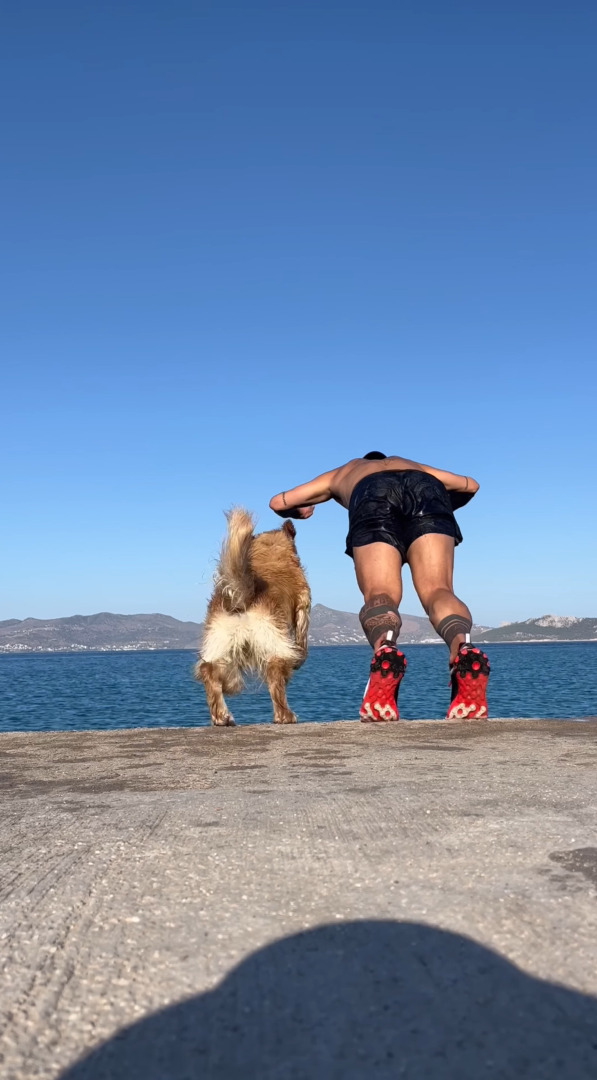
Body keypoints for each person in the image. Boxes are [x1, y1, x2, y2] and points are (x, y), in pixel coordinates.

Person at [269, 452, 489, 722]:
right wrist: (443, 504)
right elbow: (470, 485)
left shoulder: (345, 471)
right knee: (438, 590)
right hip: (427, 491)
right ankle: (464, 649)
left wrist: (301, 511)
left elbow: (279, 501)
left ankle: (386, 649)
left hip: (372, 495)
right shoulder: (413, 464)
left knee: (380, 592)